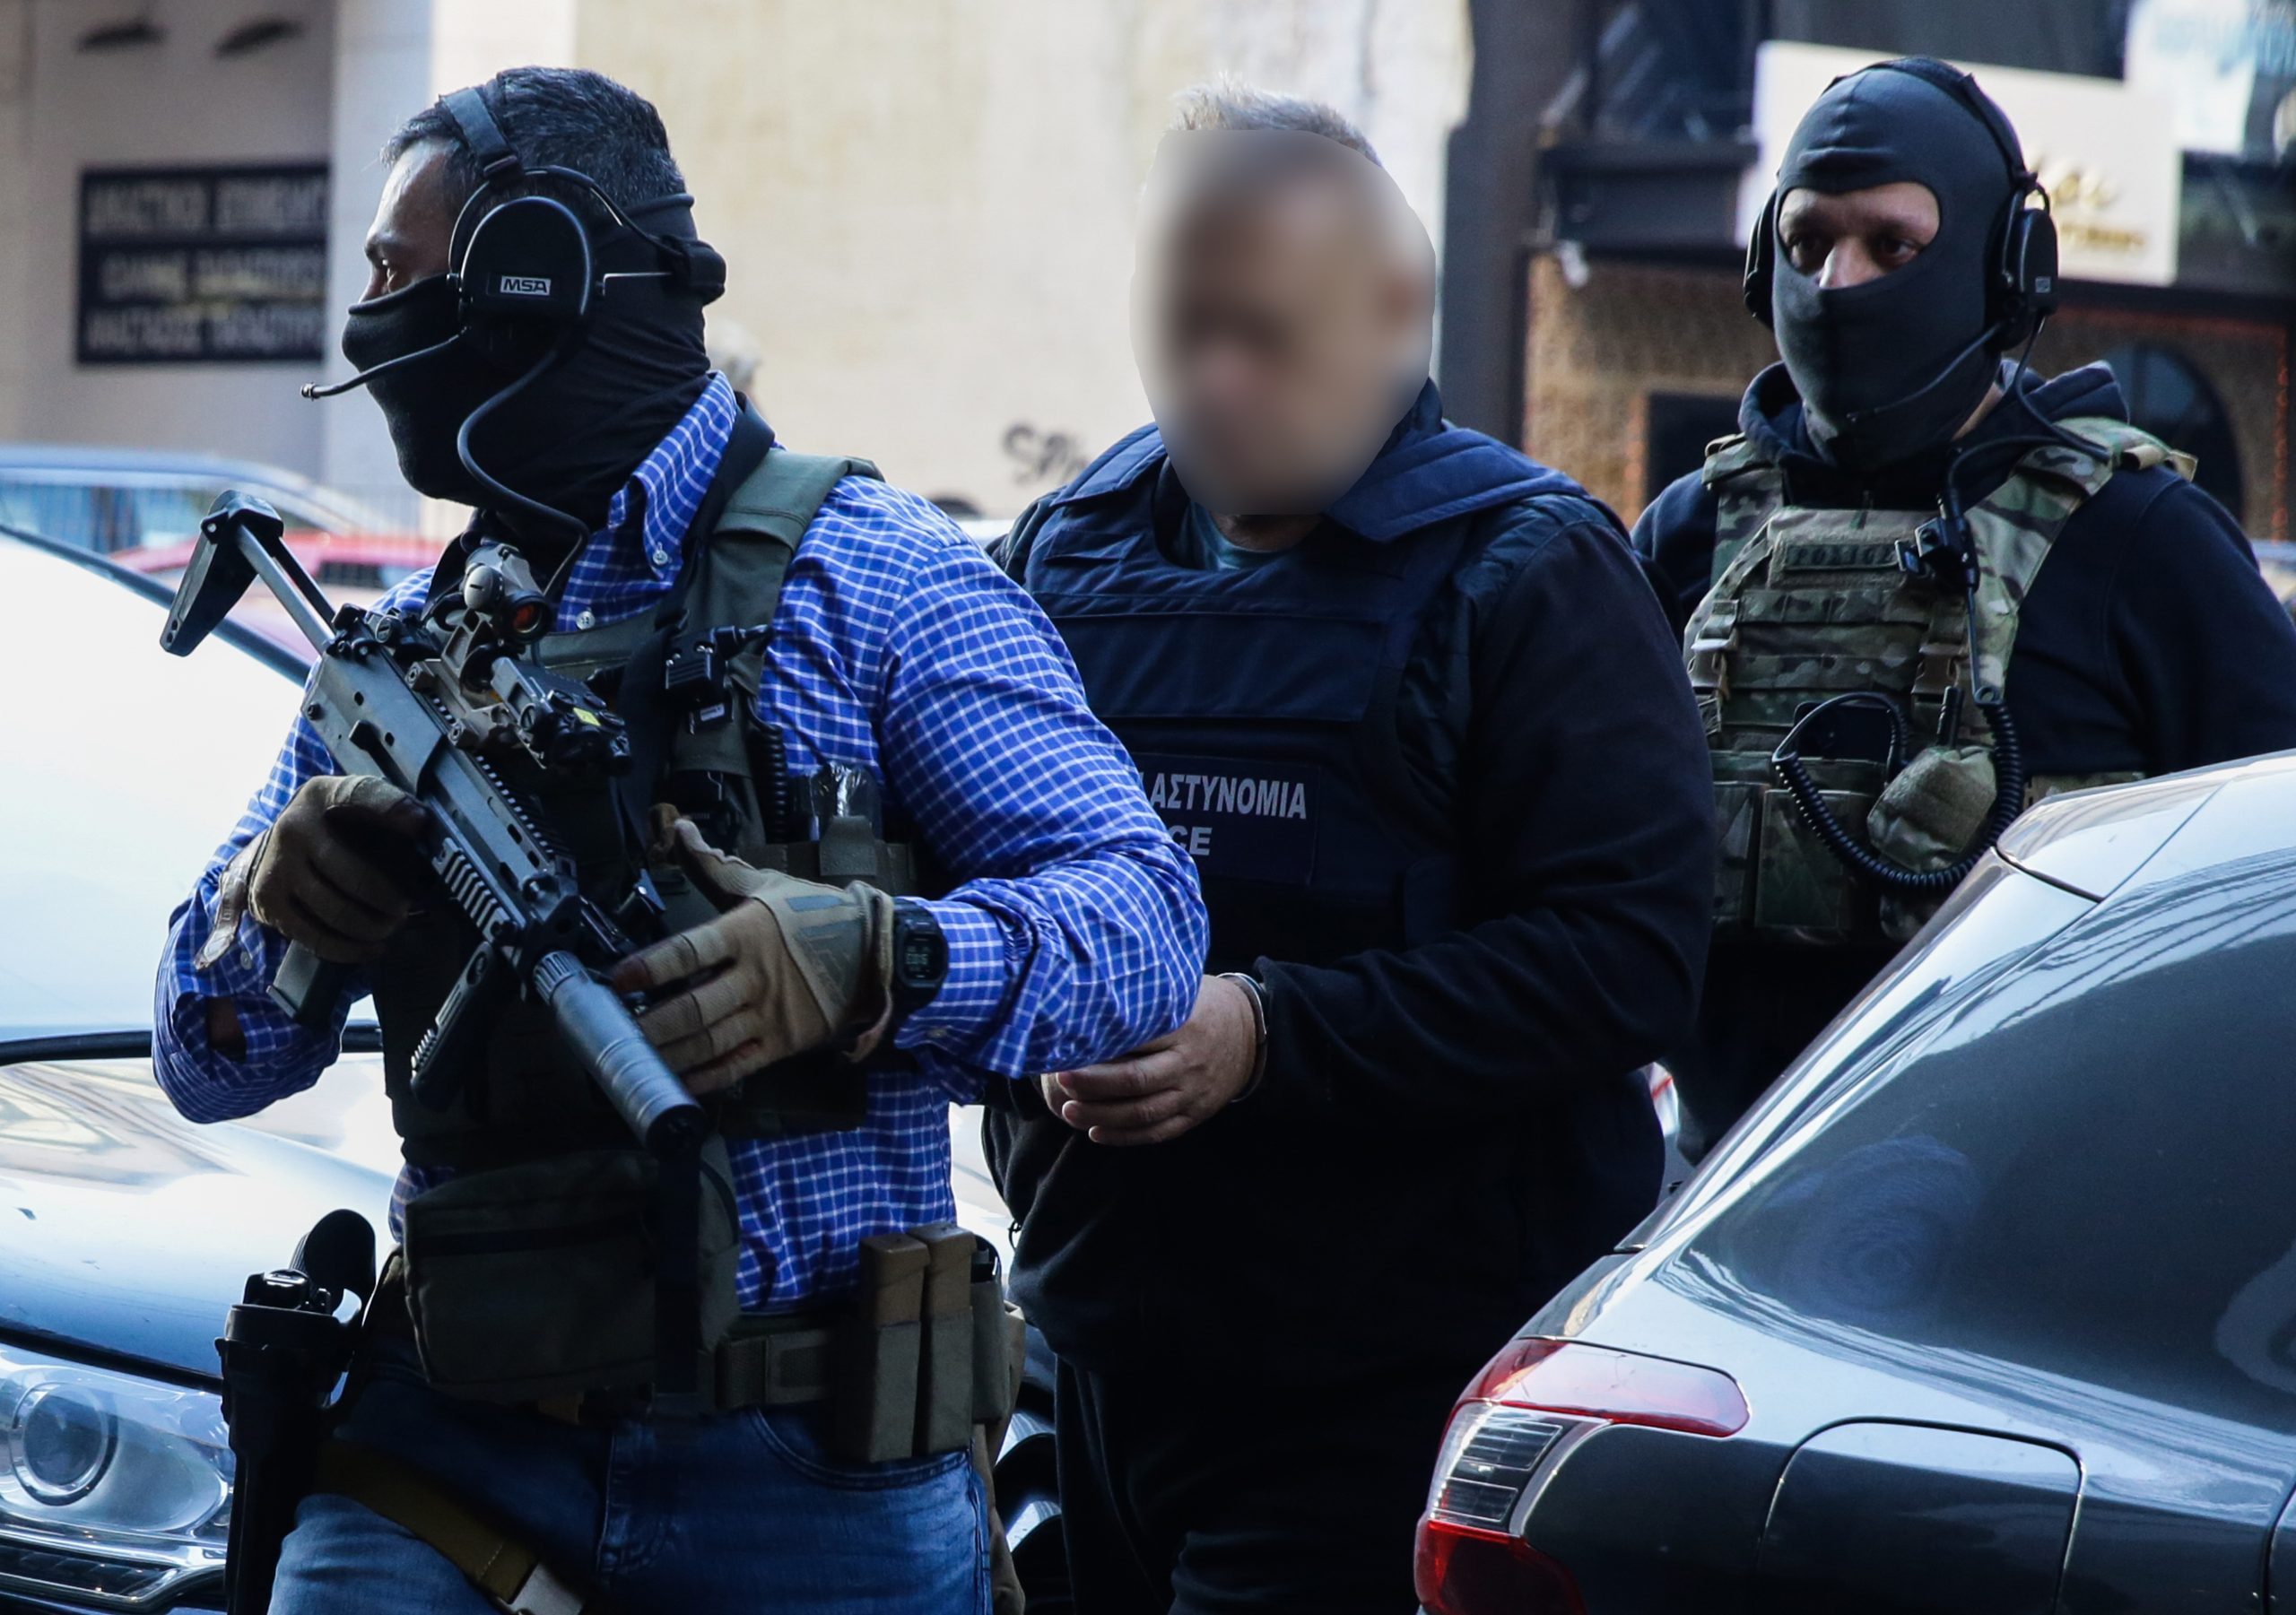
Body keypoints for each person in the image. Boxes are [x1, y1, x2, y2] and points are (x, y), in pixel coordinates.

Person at [152, 66, 1205, 1615]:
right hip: (455, 1433)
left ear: (536, 275)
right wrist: (271, 911)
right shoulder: (411, 659)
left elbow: (1151, 928)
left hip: (815, 1465)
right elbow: (201, 1060)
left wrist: (880, 963)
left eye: (395, 270)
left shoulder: (882, 583)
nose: (367, 320)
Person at [987, 82, 1714, 1615]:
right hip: (1092, 1356)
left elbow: (1629, 963)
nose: (1215, 378)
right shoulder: (1064, 555)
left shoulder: (1530, 573)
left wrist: (1269, 1035)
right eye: (1183, 329)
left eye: (1264, 334)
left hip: (1378, 1401)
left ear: (1393, 311)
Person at [1634, 56, 2296, 1156]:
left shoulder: (2142, 540)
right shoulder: (1688, 533)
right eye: (1806, 241)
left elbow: (2270, 891)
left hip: (2048, 1199)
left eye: (1891, 245)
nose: (1838, 282)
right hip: (1720, 1187)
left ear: (2006, 269)